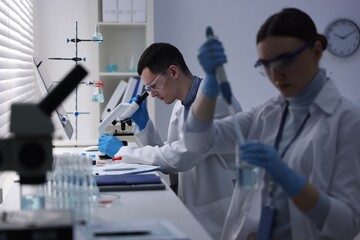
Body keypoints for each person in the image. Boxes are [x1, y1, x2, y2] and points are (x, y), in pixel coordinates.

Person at [183, 8, 360, 240]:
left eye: (286, 61)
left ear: (316, 52)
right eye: (266, 65)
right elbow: (197, 142)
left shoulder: (348, 120)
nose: (276, 75)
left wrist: (285, 175)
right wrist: (210, 84)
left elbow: (347, 225)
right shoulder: (266, 114)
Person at [98, 42, 242, 239]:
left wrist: (121, 151)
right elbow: (168, 155)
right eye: (148, 88)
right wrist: (144, 125)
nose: (152, 93)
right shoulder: (182, 105)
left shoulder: (215, 102)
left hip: (219, 216)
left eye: (153, 86)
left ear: (173, 72)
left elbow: (180, 158)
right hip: (194, 208)